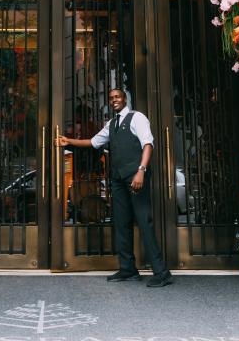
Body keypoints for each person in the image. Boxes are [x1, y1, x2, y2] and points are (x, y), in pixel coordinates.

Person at [56, 87, 173, 287]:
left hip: (136, 176)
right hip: (118, 179)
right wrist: (68, 141)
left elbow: (148, 144)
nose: (114, 100)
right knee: (121, 222)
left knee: (144, 221)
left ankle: (161, 272)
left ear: (125, 99)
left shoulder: (137, 118)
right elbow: (93, 142)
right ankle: (128, 269)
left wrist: (141, 170)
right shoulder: (111, 124)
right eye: (111, 98)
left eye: (117, 96)